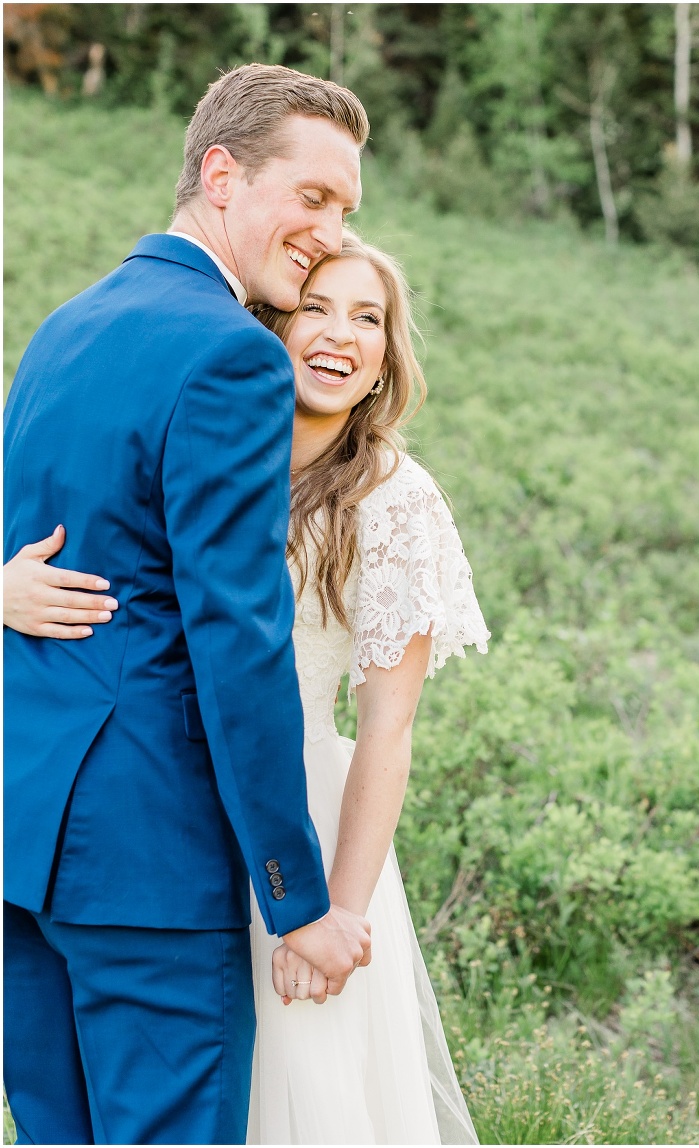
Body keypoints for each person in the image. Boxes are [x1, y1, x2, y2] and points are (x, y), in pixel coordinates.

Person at [5, 231, 490, 1144]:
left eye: (369, 317)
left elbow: (387, 730)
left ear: (389, 354)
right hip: (159, 815)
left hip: (300, 823)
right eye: (318, 306)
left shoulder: (394, 500)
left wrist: (334, 909)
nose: (340, 333)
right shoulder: (211, 432)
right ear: (271, 320)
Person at [3, 64, 373, 1146]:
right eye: (313, 197)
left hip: (27, 854)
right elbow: (239, 639)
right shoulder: (233, 357)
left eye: (347, 210)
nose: (330, 231)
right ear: (221, 173)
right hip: (151, 871)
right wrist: (295, 896)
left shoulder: (63, 330)